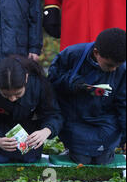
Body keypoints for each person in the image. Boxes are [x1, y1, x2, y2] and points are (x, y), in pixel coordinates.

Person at [47, 28, 126, 165]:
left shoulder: (122, 69)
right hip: (75, 117)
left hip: (105, 119)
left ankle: (106, 151)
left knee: (102, 161)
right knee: (82, 160)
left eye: (117, 66)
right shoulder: (72, 55)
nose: (113, 69)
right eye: (110, 65)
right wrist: (72, 83)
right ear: (96, 53)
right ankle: (72, 149)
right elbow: (52, 82)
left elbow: (124, 104)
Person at [0, 55, 63, 163]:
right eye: (6, 95)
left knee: (30, 159)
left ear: (26, 78)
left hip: (29, 135)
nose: (12, 99)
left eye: (18, 94)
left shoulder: (39, 83)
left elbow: (54, 114)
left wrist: (46, 131)